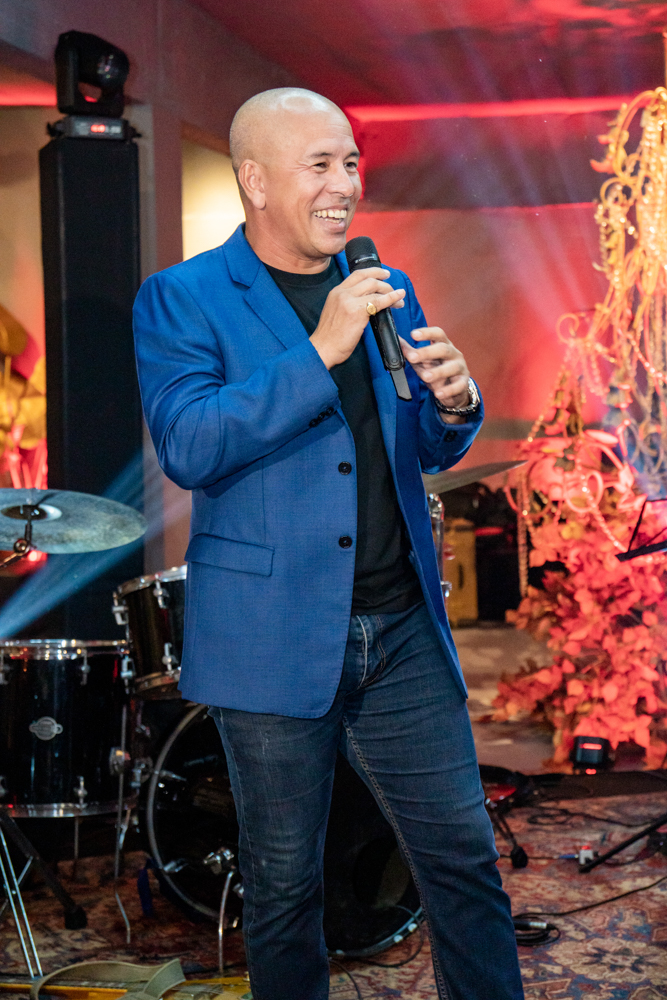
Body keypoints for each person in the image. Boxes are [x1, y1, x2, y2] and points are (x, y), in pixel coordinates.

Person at [133, 88, 524, 1000]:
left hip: (400, 630)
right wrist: (318, 350)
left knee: (462, 862)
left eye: (350, 162)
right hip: (269, 635)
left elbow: (417, 445)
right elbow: (190, 445)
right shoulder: (183, 297)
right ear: (255, 180)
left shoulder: (384, 284)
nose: (345, 184)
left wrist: (456, 403)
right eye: (320, 165)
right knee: (283, 885)